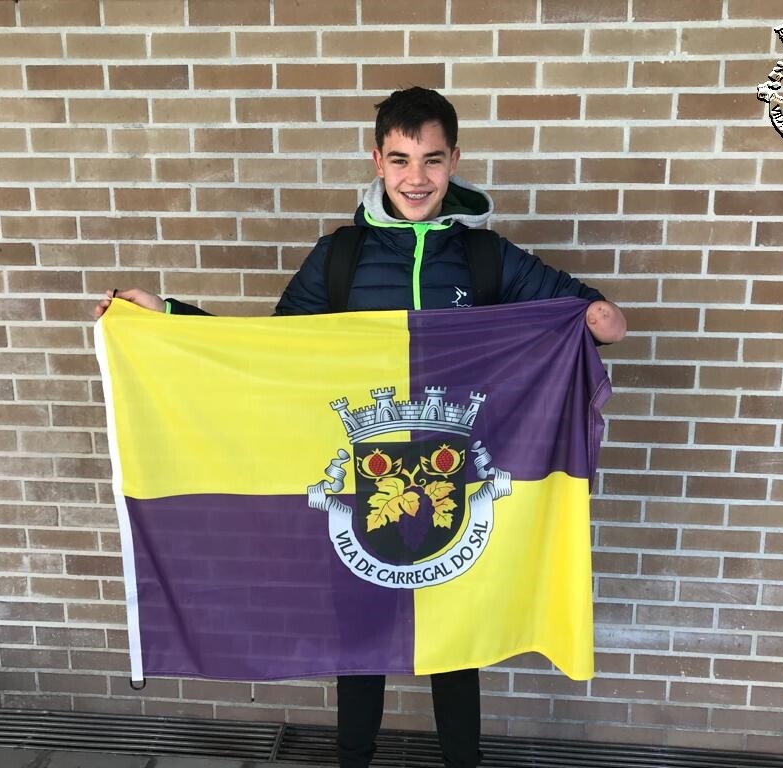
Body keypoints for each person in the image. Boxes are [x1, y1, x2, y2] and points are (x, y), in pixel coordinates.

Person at [94, 87, 625, 768]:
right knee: (360, 645)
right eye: (400, 159)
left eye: (432, 160)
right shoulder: (339, 258)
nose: (416, 178)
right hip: (362, 489)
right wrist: (166, 317)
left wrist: (597, 319)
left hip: (454, 489)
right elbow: (268, 354)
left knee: (456, 648)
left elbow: (591, 319)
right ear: (377, 160)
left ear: (455, 160)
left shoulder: (487, 258)